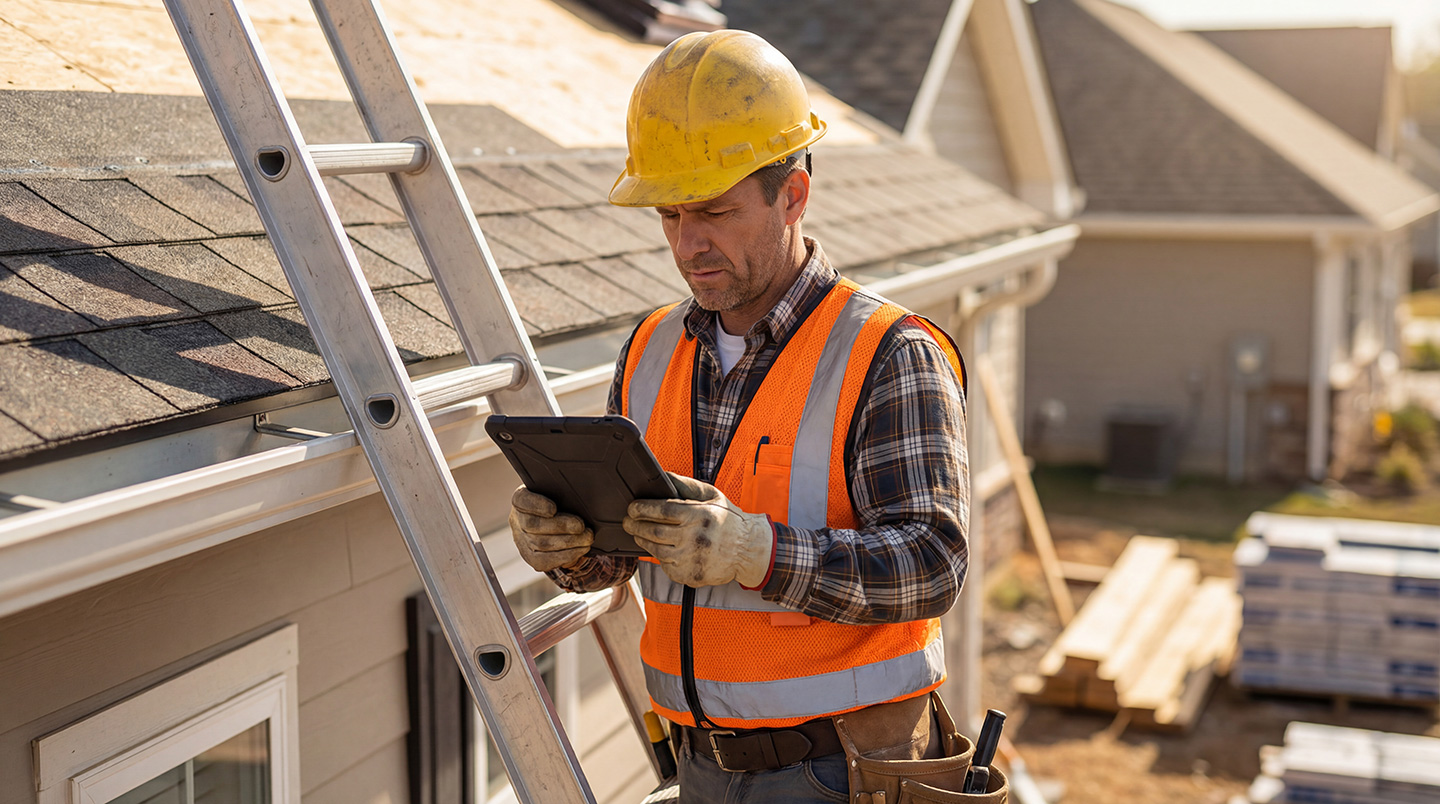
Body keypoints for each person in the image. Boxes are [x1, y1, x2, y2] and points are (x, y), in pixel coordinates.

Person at [508, 29, 969, 803]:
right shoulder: (652, 348)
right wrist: (570, 546)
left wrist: (758, 552)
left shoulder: (887, 353)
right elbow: (630, 555)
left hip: (846, 768)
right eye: (669, 215)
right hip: (700, 767)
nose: (689, 244)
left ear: (792, 194)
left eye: (715, 212)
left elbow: (931, 564)